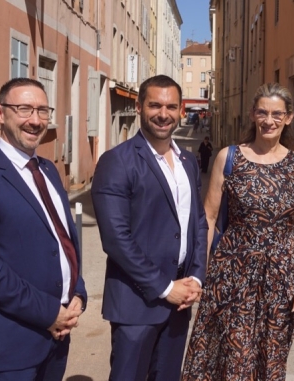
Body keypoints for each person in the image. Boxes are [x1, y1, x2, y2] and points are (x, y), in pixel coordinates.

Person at [0, 77, 87, 380]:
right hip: (10, 346)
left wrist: (78, 291)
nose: (35, 120)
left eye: (43, 111)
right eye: (24, 109)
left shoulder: (48, 170)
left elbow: (65, 240)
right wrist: (50, 312)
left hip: (57, 339)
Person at [182, 83, 294, 380]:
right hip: (231, 273)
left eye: (277, 114)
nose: (269, 120)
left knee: (271, 357)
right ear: (253, 115)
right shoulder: (229, 157)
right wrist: (198, 273)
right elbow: (209, 217)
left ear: (289, 118)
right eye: (262, 112)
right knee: (232, 355)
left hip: (280, 279)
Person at [91, 74, 207, 381]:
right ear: (140, 106)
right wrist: (165, 288)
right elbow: (116, 239)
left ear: (181, 110)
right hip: (136, 303)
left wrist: (195, 275)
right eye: (155, 105)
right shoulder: (117, 161)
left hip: (180, 302)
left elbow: (197, 222)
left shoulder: (188, 161)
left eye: (171, 106)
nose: (163, 113)